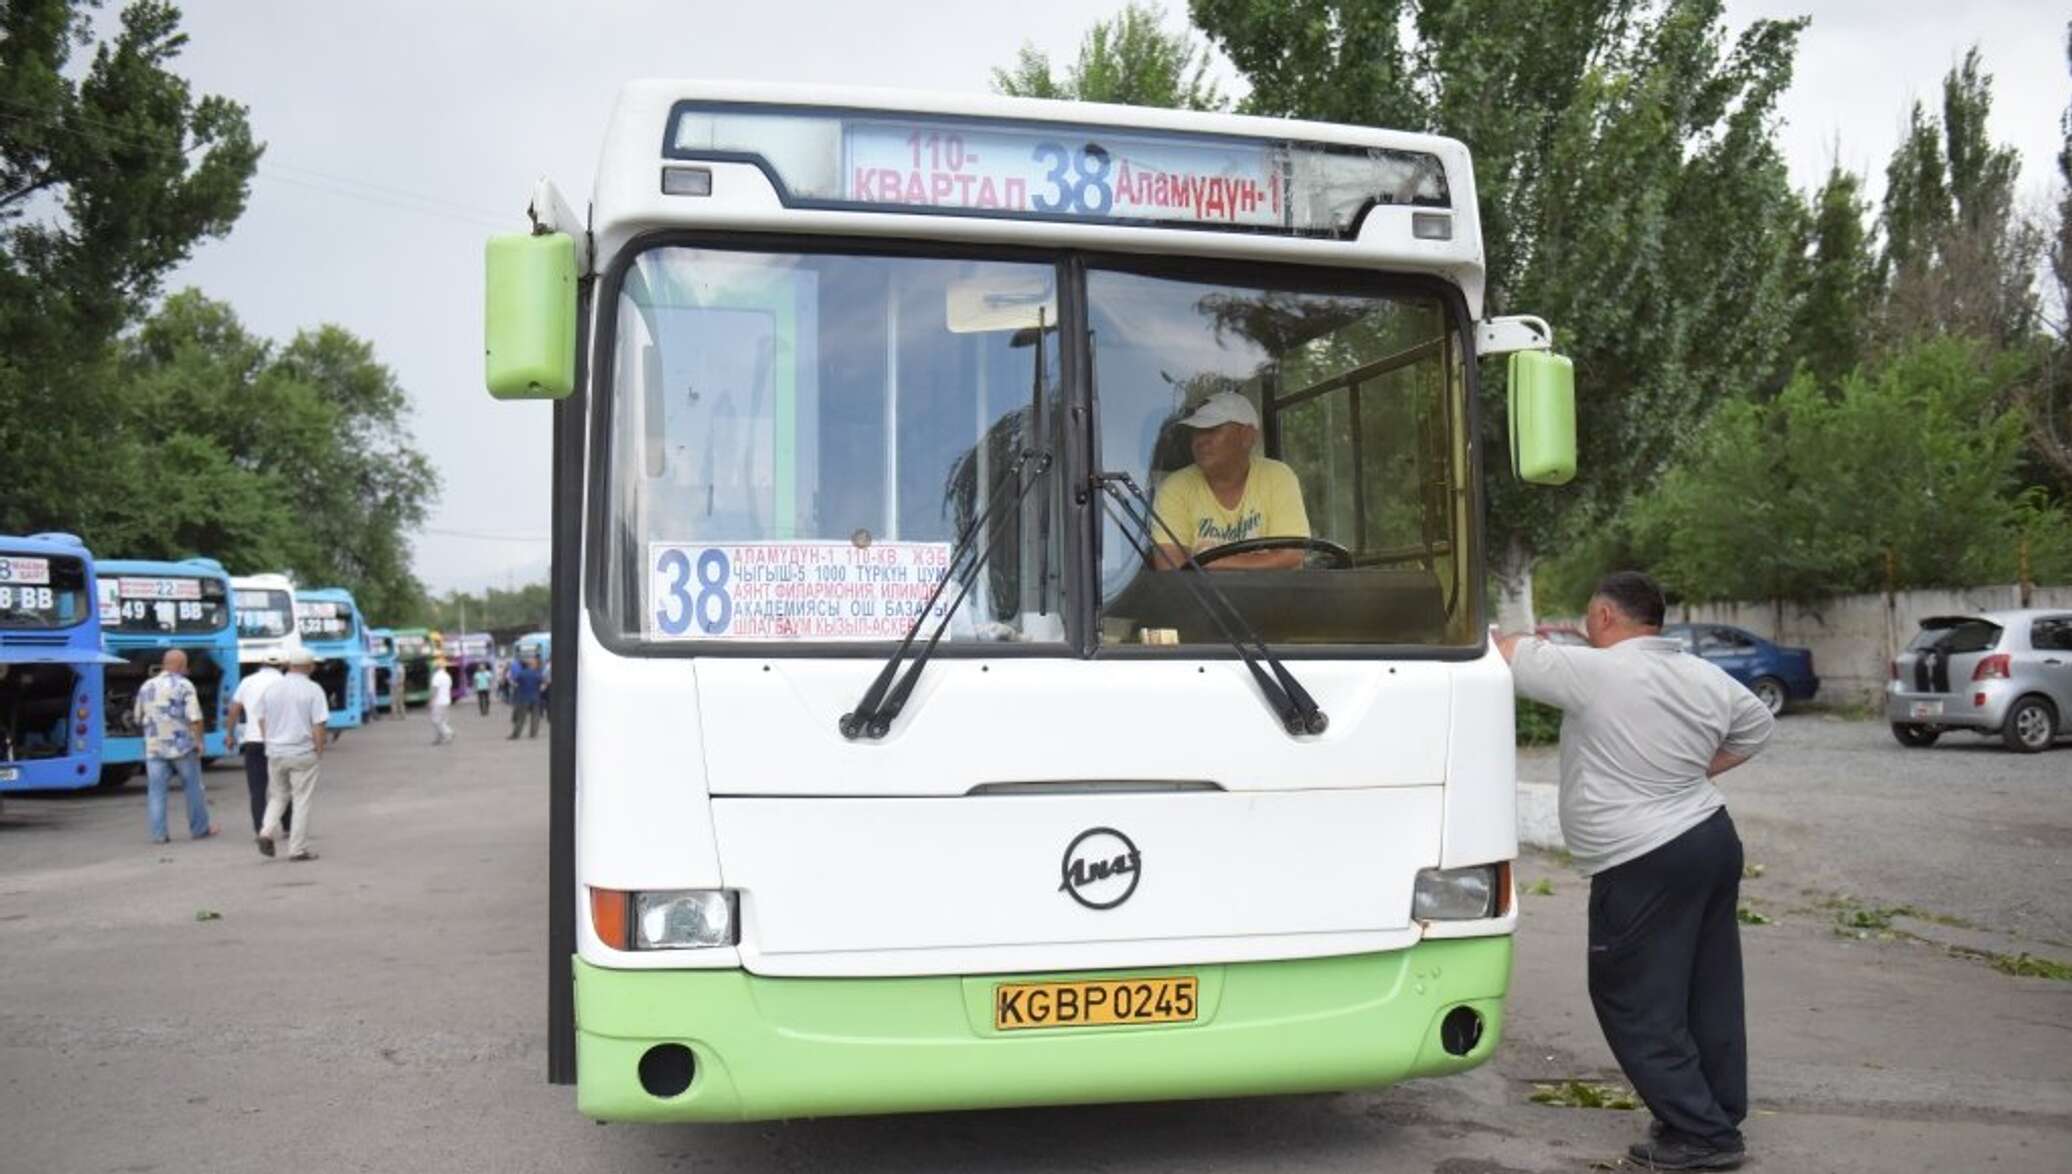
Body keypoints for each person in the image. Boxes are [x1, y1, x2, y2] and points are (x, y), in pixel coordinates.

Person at [1498, 572, 1775, 1172]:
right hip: (1709, 839)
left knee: (1632, 997)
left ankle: (1703, 1135)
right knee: (1707, 987)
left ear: (1602, 615)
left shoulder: (1596, 671)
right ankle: (1715, 1109)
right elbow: (1758, 727)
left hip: (1642, 858)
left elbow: (1506, 651)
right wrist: (1690, 774)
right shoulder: (1700, 674)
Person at [1147, 391, 1310, 571]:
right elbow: (1170, 568)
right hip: (1200, 599)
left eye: (1212, 429)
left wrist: (1210, 562)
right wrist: (1259, 561)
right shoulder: (1175, 487)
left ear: (1247, 436)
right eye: (1196, 432)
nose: (1200, 441)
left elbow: (1291, 557)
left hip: (1271, 598)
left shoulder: (1277, 476)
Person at [133, 649, 216, 844]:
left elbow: (138, 717)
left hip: (154, 747)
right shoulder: (184, 685)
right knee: (193, 788)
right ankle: (199, 829)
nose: (187, 670)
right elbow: (195, 717)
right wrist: (200, 741)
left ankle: (159, 835)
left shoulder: (147, 686)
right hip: (182, 746)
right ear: (181, 666)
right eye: (186, 666)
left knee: (156, 792)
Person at [257, 647, 329, 861]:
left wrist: (269, 742)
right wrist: (319, 750)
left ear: (289, 665)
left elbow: (261, 718)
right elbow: (319, 724)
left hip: (275, 752)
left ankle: (265, 832)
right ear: (310, 667)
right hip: (302, 753)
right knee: (301, 800)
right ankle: (297, 849)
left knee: (278, 796)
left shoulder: (272, 689)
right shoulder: (313, 690)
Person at [225, 649, 287, 836]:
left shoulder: (247, 681)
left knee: (257, 788)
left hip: (253, 741)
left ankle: (260, 828)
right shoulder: (284, 683)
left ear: (262, 664)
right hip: (280, 742)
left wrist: (230, 734)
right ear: (282, 665)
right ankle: (288, 826)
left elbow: (234, 709)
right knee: (283, 787)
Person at [506, 655, 545, 740]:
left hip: (523, 698)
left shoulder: (522, 673)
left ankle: (516, 735)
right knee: (535, 717)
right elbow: (542, 685)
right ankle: (533, 734)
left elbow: (514, 683)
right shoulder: (537, 674)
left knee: (521, 717)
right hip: (535, 698)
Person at [428, 659, 454, 745]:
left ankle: (448, 733)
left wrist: (431, 700)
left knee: (436, 720)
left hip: (438, 701)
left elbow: (435, 689)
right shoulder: (447, 676)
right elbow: (449, 687)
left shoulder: (436, 676)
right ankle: (439, 738)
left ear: (437, 667)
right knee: (443, 720)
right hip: (447, 700)